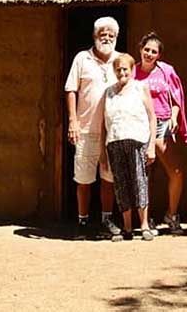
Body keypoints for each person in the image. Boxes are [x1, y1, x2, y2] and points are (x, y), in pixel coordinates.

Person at [64, 16, 121, 239]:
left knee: (109, 179)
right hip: (86, 128)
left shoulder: (120, 60)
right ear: (94, 36)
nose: (106, 38)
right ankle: (83, 221)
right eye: (102, 34)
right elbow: (71, 90)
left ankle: (106, 219)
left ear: (116, 37)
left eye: (111, 35)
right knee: (84, 179)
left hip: (112, 129)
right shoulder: (82, 59)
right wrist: (72, 121)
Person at [135, 32, 187, 235]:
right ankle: (145, 220)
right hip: (139, 126)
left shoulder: (166, 71)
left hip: (162, 124)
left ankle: (171, 214)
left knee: (176, 171)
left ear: (159, 55)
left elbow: (176, 98)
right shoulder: (132, 72)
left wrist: (175, 117)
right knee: (145, 174)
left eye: (154, 51)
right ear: (141, 49)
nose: (149, 54)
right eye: (146, 49)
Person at [100, 53, 157, 241]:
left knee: (139, 181)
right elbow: (103, 124)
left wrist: (151, 147)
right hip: (115, 142)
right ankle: (127, 228)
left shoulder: (140, 88)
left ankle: (144, 226)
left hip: (137, 140)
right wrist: (102, 151)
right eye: (118, 69)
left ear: (132, 69)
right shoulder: (109, 92)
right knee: (121, 185)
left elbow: (152, 117)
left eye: (125, 68)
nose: (121, 72)